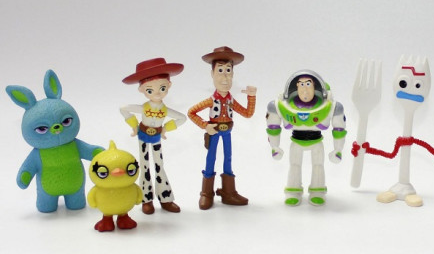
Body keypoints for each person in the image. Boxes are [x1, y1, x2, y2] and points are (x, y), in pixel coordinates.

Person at [188, 46, 256, 210]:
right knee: (211, 158)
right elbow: (191, 112)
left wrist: (251, 96)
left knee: (228, 158)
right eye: (220, 70)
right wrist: (205, 125)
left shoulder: (231, 100)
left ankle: (228, 191)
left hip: (228, 132)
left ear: (233, 74)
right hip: (215, 131)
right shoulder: (210, 100)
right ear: (212, 74)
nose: (225, 76)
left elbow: (247, 113)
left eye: (228, 70)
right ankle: (206, 192)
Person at [266, 70, 346, 206]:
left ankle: (317, 191)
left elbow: (339, 129)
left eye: (308, 84)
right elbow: (273, 126)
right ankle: (293, 191)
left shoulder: (331, 106)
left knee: (318, 165)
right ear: (296, 87)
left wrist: (338, 150)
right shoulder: (281, 106)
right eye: (301, 84)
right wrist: (274, 146)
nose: (305, 89)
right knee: (294, 165)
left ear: (315, 87)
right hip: (296, 142)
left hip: (317, 142)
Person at [120, 57, 185, 214]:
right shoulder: (143, 108)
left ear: (169, 85)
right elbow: (123, 108)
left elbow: (182, 118)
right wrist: (134, 126)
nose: (156, 93)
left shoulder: (165, 110)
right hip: (143, 136)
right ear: (142, 90)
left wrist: (165, 129)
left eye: (162, 88)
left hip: (156, 138)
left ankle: (165, 197)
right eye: (150, 90)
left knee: (159, 166)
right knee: (145, 166)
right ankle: (146, 199)